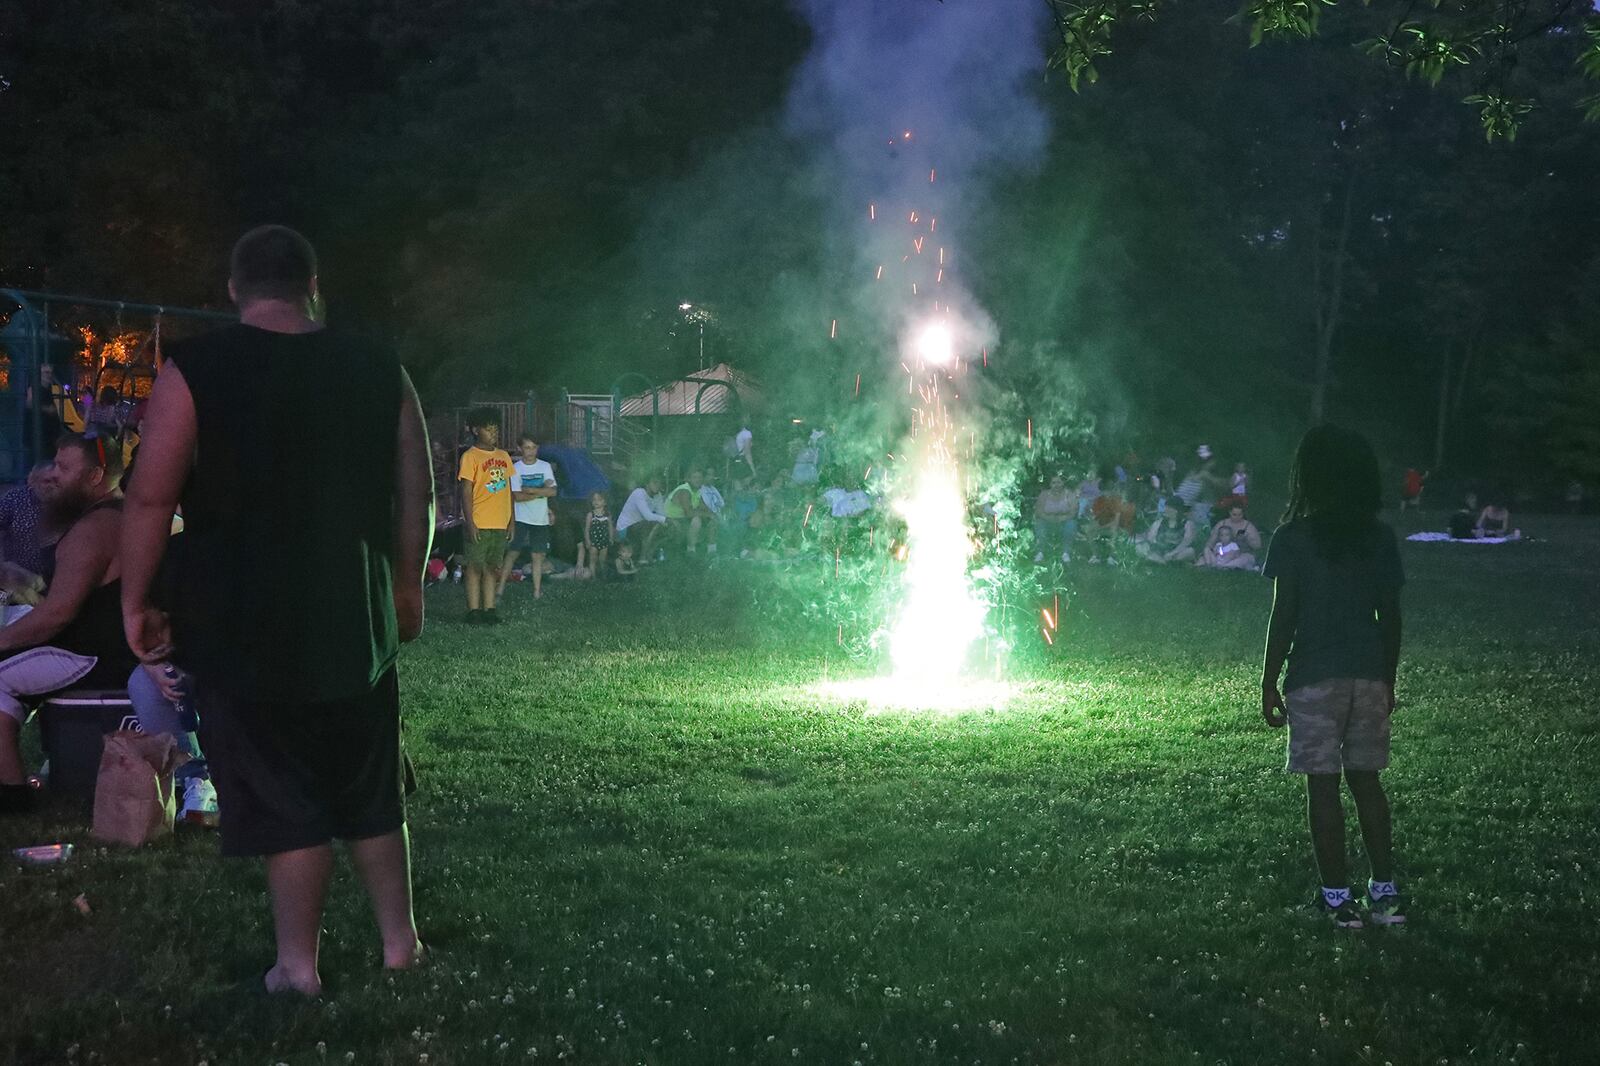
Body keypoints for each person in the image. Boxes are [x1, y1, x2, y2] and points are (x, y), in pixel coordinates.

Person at [120, 225, 434, 995]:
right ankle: (401, 945)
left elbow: (152, 494)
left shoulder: (195, 368)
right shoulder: (379, 366)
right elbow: (416, 492)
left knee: (285, 793)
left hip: (241, 619)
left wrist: (136, 599)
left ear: (235, 288)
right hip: (354, 616)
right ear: (312, 286)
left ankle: (297, 970)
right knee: (366, 785)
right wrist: (406, 588)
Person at [1260, 424, 1406, 930]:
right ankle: (1385, 893)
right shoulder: (1379, 536)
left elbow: (1284, 617)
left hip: (1314, 678)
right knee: (1368, 783)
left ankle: (1337, 899)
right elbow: (1391, 616)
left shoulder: (1293, 538)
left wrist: (1268, 681)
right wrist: (1386, 679)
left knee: (1323, 788)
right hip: (1367, 675)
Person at [0, 435, 140, 813]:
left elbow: (59, 613)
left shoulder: (95, 528)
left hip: (92, 655)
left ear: (95, 476)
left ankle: (11, 796)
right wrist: (18, 578)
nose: (53, 475)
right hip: (101, 648)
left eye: (64, 468)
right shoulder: (113, 516)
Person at [457, 410, 514, 624]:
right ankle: (473, 610)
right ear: (475, 430)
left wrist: (511, 521)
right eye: (488, 430)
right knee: (474, 566)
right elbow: (465, 491)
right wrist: (470, 522)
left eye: (495, 430)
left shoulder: (503, 456)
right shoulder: (470, 457)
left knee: (492, 567)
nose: (493, 434)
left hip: (500, 522)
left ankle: (489, 608)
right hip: (479, 521)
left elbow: (508, 490)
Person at [498, 435, 556, 601]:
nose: (530, 451)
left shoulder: (544, 466)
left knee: (537, 556)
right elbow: (517, 496)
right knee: (512, 553)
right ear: (520, 449)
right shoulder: (516, 468)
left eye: (534, 447)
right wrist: (541, 490)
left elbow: (553, 491)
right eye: (527, 447)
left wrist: (530, 490)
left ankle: (537, 592)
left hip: (540, 518)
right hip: (521, 518)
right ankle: (500, 589)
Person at [0, 461, 55, 578]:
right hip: (19, 576)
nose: (51, 486)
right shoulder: (14, 499)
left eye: (56, 482)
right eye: (46, 481)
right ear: (32, 482)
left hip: (58, 577)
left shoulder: (67, 502)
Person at [666, 468, 718, 555]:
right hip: (673, 519)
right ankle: (691, 551)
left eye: (700, 477)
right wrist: (708, 514)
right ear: (689, 479)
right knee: (696, 520)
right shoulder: (684, 490)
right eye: (695, 477)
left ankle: (712, 551)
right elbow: (689, 513)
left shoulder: (698, 490)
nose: (698, 480)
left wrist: (713, 515)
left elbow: (704, 507)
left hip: (684, 518)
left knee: (712, 520)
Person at [617, 476, 669, 559]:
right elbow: (647, 516)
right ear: (647, 483)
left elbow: (661, 514)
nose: (658, 485)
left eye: (659, 483)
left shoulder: (658, 495)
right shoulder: (639, 493)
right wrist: (665, 520)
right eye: (655, 482)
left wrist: (667, 521)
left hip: (643, 524)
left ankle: (651, 554)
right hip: (627, 526)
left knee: (663, 527)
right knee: (653, 525)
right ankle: (643, 557)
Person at [1032, 474, 1078, 563]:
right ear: (1050, 484)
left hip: (1065, 520)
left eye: (1059, 482)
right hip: (1047, 520)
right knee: (1039, 524)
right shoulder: (1044, 494)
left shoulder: (1069, 494)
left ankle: (1066, 552)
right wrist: (1049, 518)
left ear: (1063, 483)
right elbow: (1039, 511)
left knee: (1071, 524)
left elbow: (1073, 512)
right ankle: (1040, 552)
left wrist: (1063, 518)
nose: (1056, 485)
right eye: (1053, 483)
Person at [578, 491, 614, 578]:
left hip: (604, 540)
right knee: (593, 559)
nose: (596, 502)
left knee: (602, 559)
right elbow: (586, 529)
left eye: (599, 499)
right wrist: (587, 541)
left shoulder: (607, 514)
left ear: (605, 502)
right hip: (593, 540)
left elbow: (610, 527)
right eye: (594, 500)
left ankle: (603, 575)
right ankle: (593, 577)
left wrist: (611, 538)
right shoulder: (590, 515)